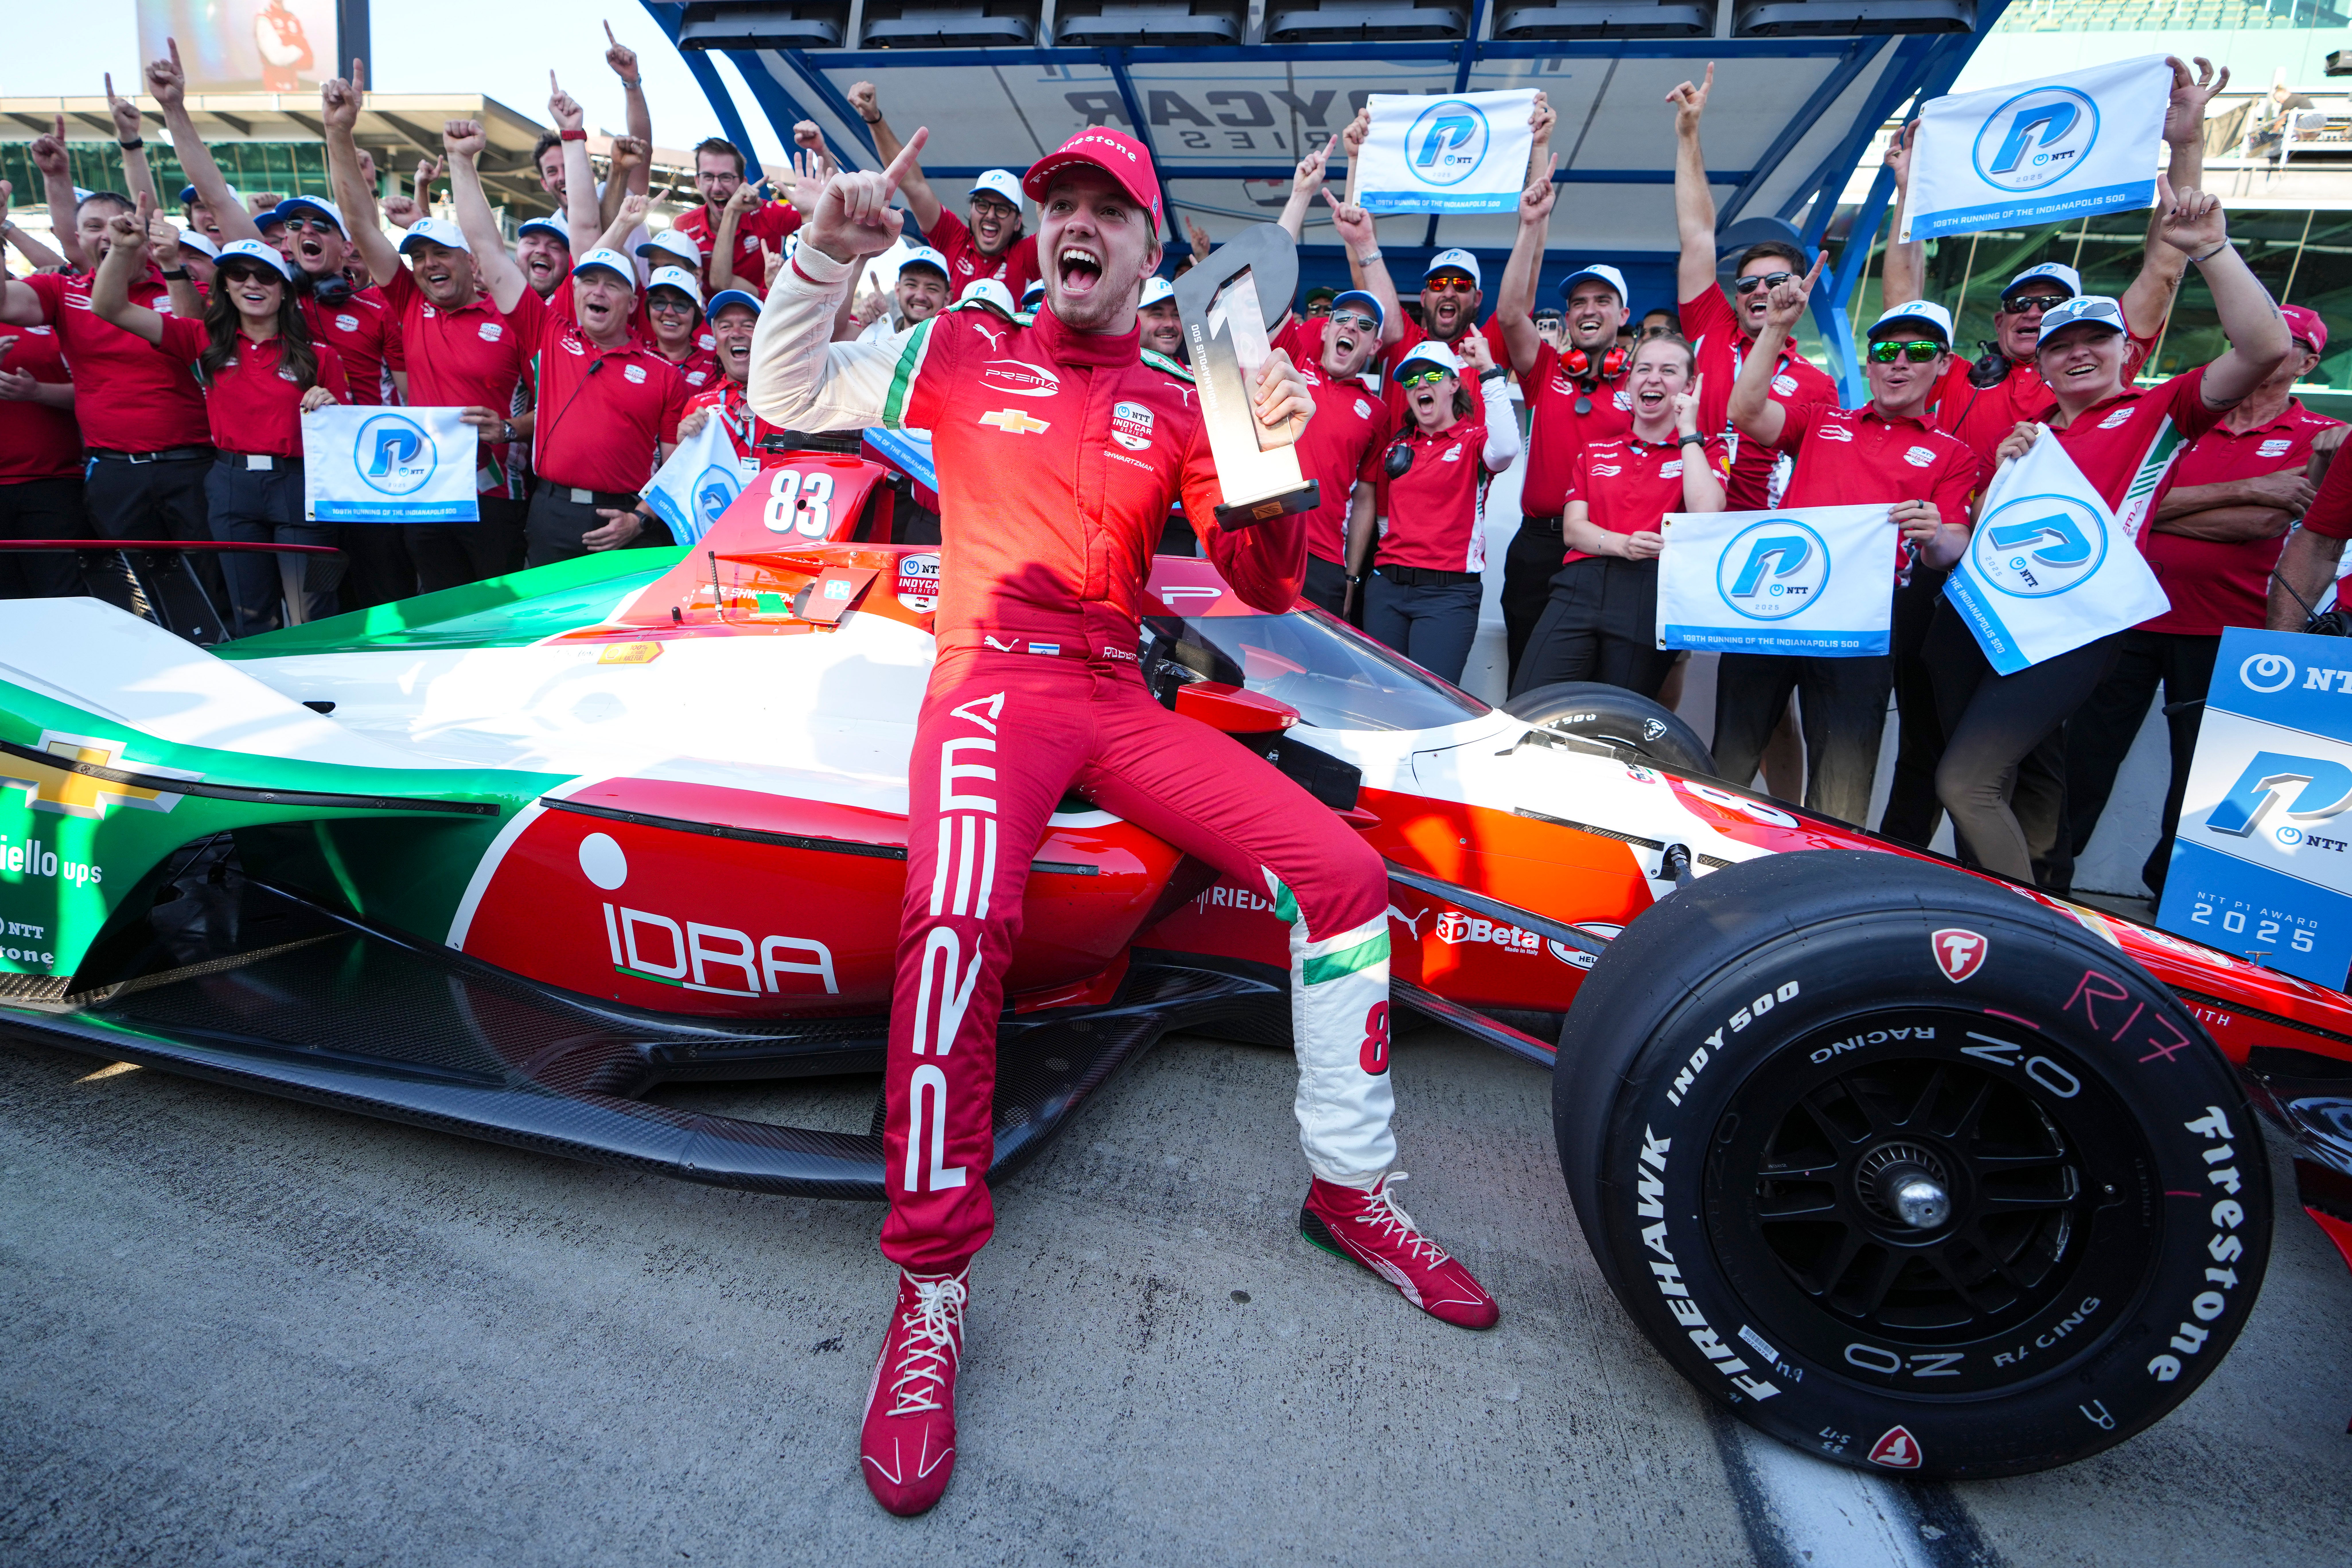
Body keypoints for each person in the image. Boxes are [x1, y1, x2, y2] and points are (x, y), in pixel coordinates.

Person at [749, 122, 1499, 1518]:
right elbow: (786, 389)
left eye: (1108, 208)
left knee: (1340, 872)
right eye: (1059, 206)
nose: (1075, 224)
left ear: (1151, 252)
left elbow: (1268, 590)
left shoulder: (1186, 390)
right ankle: (927, 1291)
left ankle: (1348, 1190)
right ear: (1041, 239)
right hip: (988, 686)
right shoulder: (963, 348)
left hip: (1113, 692)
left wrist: (1271, 450)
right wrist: (821, 253)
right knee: (962, 912)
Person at [1928, 182, 2288, 886]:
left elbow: (2265, 346)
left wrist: (2211, 250)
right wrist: (1994, 479)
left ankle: (2021, 929)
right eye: (2061, 345)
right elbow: (1976, 537)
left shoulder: (2155, 410)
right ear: (2041, 363)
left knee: (1963, 783)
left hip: (2073, 627)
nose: (2079, 353)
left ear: (2126, 350)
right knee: (2011, 781)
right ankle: (1986, 912)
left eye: (2097, 339)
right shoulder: (2027, 441)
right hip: (1980, 618)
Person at [2062, 304, 2342, 895]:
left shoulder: (2318, 436)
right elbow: (2114, 505)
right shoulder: (2182, 421)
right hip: (2130, 616)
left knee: (2201, 777)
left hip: (2227, 631)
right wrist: (2243, 488)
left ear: (2307, 361)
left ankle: (2172, 898)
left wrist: (2161, 510)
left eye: (2284, 340)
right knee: (2083, 756)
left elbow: (2262, 523)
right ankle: (2048, 879)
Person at [1721, 277, 1983, 825]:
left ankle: (1822, 892)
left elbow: (1950, 549)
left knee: (1841, 784)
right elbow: (1745, 412)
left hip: (1863, 622)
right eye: (1887, 351)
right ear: (1870, 364)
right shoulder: (1823, 421)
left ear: (1944, 366)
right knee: (1728, 760)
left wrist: (1936, 530)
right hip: (1774, 607)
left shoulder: (1953, 453)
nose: (1899, 363)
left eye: (1919, 352)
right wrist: (1776, 329)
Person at [326, 87, 546, 590]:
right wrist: (338, 131)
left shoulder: (513, 318)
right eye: (418, 255)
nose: (427, 265)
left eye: (440, 253)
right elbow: (359, 223)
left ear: (470, 262)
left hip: (495, 498)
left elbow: (555, 409)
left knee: (501, 622)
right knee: (438, 616)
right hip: (425, 493)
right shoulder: (409, 301)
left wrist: (510, 429)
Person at [92, 222, 348, 636]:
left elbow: (348, 432)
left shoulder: (321, 355)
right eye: (238, 275)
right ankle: (268, 697)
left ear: (284, 289)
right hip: (232, 484)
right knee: (251, 613)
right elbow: (108, 308)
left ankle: (326, 691)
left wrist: (332, 404)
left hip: (302, 483)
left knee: (313, 609)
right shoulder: (204, 339)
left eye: (265, 276)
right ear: (224, 287)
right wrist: (123, 251)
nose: (252, 283)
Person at [0, 186, 221, 636]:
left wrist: (169, 263)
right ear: (76, 239)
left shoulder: (182, 284)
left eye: (117, 224)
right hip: (116, 471)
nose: (108, 235)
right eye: (93, 227)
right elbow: (5, 304)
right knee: (136, 594)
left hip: (192, 464)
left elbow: (195, 339)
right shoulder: (61, 290)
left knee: (214, 579)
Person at [1513, 335, 1727, 700]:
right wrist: (1623, 544)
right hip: (1580, 583)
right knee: (1531, 701)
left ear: (1690, 386)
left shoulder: (1706, 449)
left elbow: (1706, 513)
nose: (1653, 379)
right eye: (1643, 369)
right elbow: (1573, 530)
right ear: (1628, 382)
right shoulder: (1595, 450)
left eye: (1669, 371)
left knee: (1618, 719)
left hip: (1650, 591)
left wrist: (1688, 430)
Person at [1669, 65, 1840, 513]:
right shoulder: (1713, 325)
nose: (1761, 289)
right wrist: (1689, 135)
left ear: (1801, 289)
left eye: (1777, 280)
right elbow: (1698, 235)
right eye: (1748, 283)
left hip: (1761, 532)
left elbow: (1821, 469)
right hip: (1685, 519)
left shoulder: (1818, 384)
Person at [1496, 158, 1637, 684]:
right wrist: (1530, 225)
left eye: (1603, 300)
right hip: (1539, 546)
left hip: (1609, 551)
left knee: (1599, 686)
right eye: (1578, 302)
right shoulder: (1548, 367)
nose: (1588, 309)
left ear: (1625, 315)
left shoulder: (1644, 383)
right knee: (1527, 681)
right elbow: (1512, 314)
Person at [1355, 337, 1520, 681]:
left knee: (1432, 702)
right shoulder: (1398, 447)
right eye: (1412, 380)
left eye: (1432, 375)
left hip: (1447, 596)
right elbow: (1384, 519)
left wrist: (1489, 371)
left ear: (1454, 384)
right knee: (1382, 696)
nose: (1421, 385)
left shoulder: (1474, 441)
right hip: (1387, 590)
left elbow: (1506, 448)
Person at [848, 80, 1039, 298]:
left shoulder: (1027, 255)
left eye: (1003, 209)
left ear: (1018, 222)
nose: (990, 215)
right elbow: (914, 185)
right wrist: (874, 119)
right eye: (983, 205)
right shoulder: (953, 238)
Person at [0, 307, 85, 601]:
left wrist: (36, 391)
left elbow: (99, 391)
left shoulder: (50, 312)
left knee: (63, 597)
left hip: (54, 481)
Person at [670, 137, 802, 300]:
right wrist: (732, 211)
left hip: (769, 317)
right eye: (708, 177)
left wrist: (821, 150)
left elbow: (832, 222)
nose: (717, 187)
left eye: (726, 177)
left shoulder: (768, 213)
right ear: (698, 181)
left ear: (743, 183)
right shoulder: (684, 227)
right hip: (714, 321)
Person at [516, 215, 572, 299]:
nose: (542, 251)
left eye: (554, 247)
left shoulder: (572, 303)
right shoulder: (493, 300)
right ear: (516, 253)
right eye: (532, 243)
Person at [1137, 274, 1182, 359]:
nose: (1170, 324)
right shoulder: (1116, 372)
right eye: (1158, 315)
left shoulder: (1200, 372)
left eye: (1177, 315)